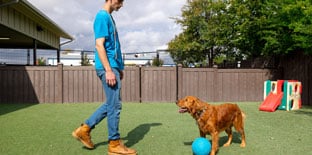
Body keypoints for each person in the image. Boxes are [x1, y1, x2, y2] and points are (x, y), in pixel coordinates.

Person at [72, 0, 137, 154]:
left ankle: (84, 129)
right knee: (115, 106)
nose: (121, 5)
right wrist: (109, 70)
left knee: (111, 103)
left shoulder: (109, 17)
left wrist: (118, 68)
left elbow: (113, 46)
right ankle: (114, 144)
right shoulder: (102, 16)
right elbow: (99, 45)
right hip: (107, 67)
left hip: (112, 66)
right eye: (120, 1)